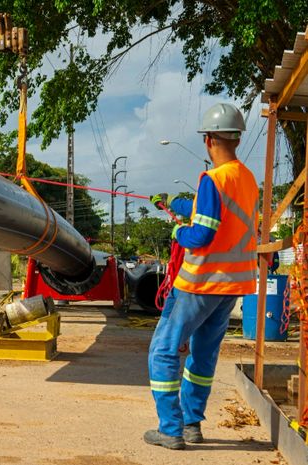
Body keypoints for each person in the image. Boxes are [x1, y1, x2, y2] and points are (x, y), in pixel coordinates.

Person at [146, 103, 259, 450]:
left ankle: (170, 429)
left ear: (208, 139)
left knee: (162, 351)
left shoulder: (212, 180)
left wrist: (178, 233)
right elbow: (210, 211)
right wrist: (173, 204)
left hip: (201, 283)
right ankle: (192, 423)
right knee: (203, 355)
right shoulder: (246, 179)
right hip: (232, 287)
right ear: (236, 139)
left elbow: (200, 236)